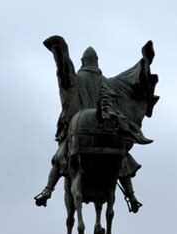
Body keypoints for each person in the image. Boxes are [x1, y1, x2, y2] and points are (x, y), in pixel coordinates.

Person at [35, 36, 158, 212]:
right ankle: (131, 197)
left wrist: (60, 57)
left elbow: (65, 79)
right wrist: (143, 65)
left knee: (60, 157)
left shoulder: (77, 79)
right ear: (97, 62)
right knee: (121, 159)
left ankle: (47, 190)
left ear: (83, 62)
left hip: (80, 130)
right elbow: (124, 86)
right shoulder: (108, 83)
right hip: (103, 130)